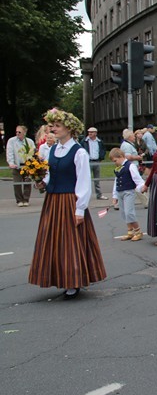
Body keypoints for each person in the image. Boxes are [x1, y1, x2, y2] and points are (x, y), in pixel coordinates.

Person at [29, 109, 106, 299]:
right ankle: (58, 277)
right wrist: (42, 182)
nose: (53, 129)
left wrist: (80, 209)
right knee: (53, 240)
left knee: (70, 242)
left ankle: (73, 281)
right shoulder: (53, 149)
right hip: (53, 201)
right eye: (52, 126)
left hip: (69, 201)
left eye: (57, 126)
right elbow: (50, 174)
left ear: (69, 129)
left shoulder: (79, 152)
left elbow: (83, 181)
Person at [109, 147, 146, 241]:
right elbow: (116, 181)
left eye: (115, 160)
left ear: (121, 156)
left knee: (129, 212)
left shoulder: (130, 166)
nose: (115, 163)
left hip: (128, 192)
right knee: (124, 213)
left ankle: (138, 231)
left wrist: (141, 187)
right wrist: (115, 195)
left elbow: (137, 179)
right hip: (120, 191)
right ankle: (130, 231)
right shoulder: (118, 168)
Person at [6, 124, 35, 207]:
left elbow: (33, 153)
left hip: (27, 165)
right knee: (17, 183)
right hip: (16, 165)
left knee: (27, 182)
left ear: (24, 133)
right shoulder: (12, 141)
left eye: (19, 132)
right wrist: (11, 163)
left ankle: (26, 199)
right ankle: (19, 200)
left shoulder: (29, 141)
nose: (17, 133)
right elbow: (9, 152)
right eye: (16, 132)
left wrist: (31, 163)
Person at [121, 128, 148, 209]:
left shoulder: (128, 144)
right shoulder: (127, 145)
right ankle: (146, 202)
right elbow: (128, 157)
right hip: (131, 168)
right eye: (133, 135)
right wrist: (138, 157)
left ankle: (118, 201)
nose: (134, 137)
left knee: (132, 185)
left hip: (131, 167)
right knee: (138, 184)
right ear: (129, 137)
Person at [81, 127, 108, 200]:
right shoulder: (84, 141)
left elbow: (103, 149)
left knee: (97, 179)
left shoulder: (99, 141)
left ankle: (99, 194)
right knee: (86, 179)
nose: (90, 134)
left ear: (95, 133)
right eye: (89, 132)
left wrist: (101, 157)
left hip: (96, 161)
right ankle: (85, 195)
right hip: (88, 162)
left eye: (92, 132)